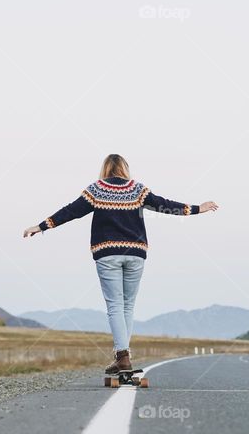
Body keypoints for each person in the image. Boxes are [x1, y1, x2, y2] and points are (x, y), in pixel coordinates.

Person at [23, 154, 218, 374]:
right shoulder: (137, 190)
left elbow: (70, 212)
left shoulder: (96, 190)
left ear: (105, 169)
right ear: (125, 169)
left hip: (107, 254)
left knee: (115, 305)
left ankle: (122, 357)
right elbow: (164, 205)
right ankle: (123, 355)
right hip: (136, 253)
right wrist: (197, 209)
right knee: (127, 306)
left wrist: (40, 227)